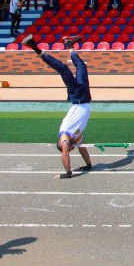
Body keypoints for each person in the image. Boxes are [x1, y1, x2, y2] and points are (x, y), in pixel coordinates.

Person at [21, 34, 93, 179]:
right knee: (81, 65)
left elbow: (65, 151)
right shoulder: (76, 137)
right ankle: (70, 44)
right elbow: (82, 149)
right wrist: (88, 165)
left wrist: (67, 173)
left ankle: (34, 46)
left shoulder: (65, 136)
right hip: (84, 97)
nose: (71, 149)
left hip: (77, 98)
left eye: (68, 148)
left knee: (64, 69)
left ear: (62, 143)